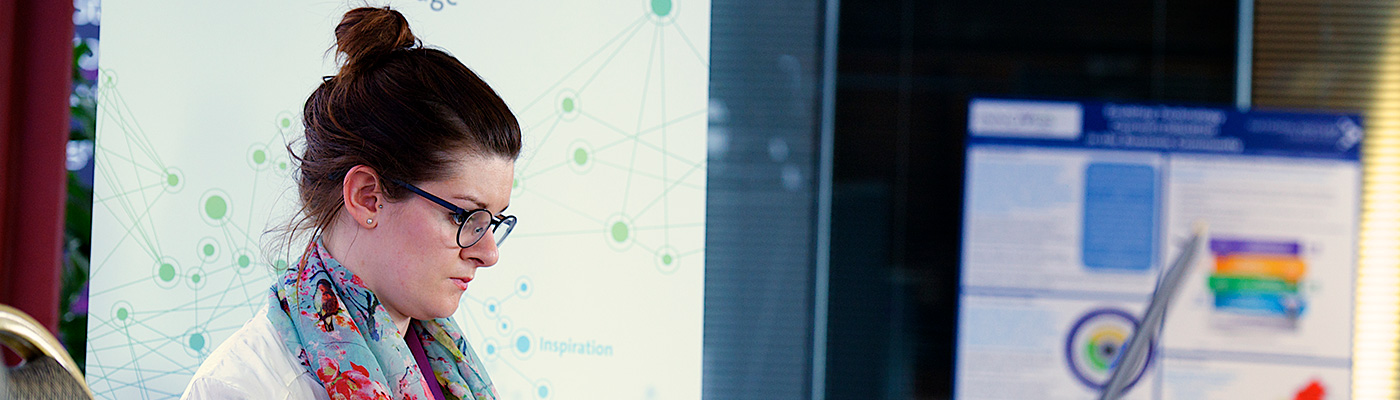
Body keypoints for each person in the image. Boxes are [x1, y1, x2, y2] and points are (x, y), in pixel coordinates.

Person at [182, 6, 519, 400]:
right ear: (367, 197)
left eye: (492, 222)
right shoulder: (241, 388)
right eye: (464, 216)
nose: (489, 252)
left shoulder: (445, 363)